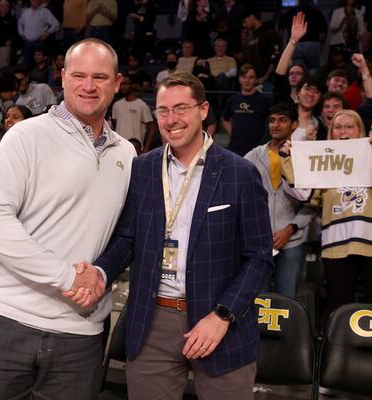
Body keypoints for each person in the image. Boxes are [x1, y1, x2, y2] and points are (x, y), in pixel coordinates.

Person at [66, 72, 273, 399]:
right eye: (163, 110)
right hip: (152, 322)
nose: (171, 119)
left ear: (203, 110)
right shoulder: (143, 169)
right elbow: (127, 239)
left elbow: (260, 258)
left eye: (181, 108)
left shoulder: (241, 173)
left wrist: (222, 315)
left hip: (220, 322)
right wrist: (101, 271)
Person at [0, 38, 136, 400]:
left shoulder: (128, 153)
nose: (89, 86)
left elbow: (125, 234)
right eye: (79, 75)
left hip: (81, 332)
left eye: (100, 77)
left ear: (117, 83)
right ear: (63, 78)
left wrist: (99, 274)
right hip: (7, 320)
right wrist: (67, 277)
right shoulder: (26, 136)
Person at [280, 109, 372, 315]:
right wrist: (287, 159)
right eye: (337, 127)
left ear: (359, 129)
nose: (343, 131)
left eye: (349, 126)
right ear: (331, 132)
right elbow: (303, 193)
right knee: (338, 310)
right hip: (337, 245)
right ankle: (337, 349)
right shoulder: (321, 160)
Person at [245, 103, 313, 297]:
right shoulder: (253, 156)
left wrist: (290, 228)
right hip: (259, 241)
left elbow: (313, 204)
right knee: (257, 300)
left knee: (287, 300)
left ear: (294, 125)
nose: (275, 125)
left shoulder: (304, 158)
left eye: (282, 120)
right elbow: (240, 196)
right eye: (272, 120)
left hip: (292, 239)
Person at [221, 64, 272, 156]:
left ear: (256, 79)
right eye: (244, 77)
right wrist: (233, 134)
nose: (247, 80)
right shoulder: (232, 100)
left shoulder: (264, 100)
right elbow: (225, 119)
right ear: (239, 79)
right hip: (236, 148)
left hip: (258, 149)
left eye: (251, 77)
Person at [111, 75, 156, 152]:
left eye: (125, 84)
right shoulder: (116, 105)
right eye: (121, 84)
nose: (122, 87)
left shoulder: (141, 105)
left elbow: (152, 128)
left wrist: (146, 148)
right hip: (118, 149)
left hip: (136, 149)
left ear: (134, 85)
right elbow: (115, 125)